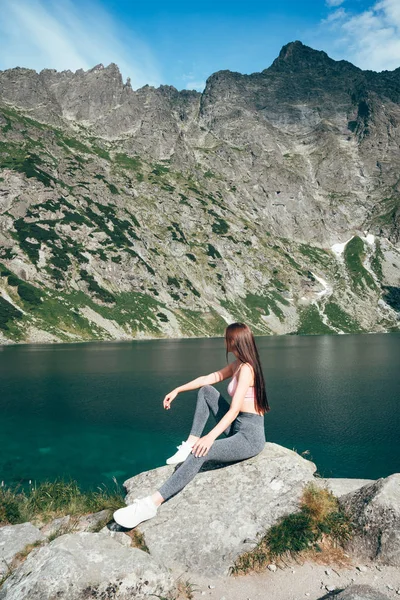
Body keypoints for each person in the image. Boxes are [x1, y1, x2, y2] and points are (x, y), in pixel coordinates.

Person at [113, 322, 271, 529]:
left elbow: (233, 411)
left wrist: (210, 438)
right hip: (237, 427)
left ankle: (150, 505)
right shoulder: (237, 365)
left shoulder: (247, 370)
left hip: (249, 437)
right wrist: (177, 389)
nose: (224, 341)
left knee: (201, 453)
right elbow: (209, 378)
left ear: (234, 341)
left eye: (226, 338)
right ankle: (191, 441)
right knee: (206, 390)